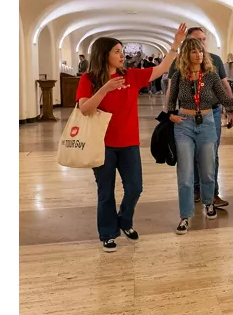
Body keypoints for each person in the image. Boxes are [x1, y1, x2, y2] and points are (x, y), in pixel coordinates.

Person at [76, 24, 186, 252]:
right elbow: (84, 109)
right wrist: (105, 89)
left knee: (135, 188)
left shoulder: (131, 76)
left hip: (129, 143)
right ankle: (108, 233)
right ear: (103, 54)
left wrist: (175, 45)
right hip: (102, 145)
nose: (122, 55)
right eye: (117, 51)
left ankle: (125, 221)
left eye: (122, 51)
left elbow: (162, 68)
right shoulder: (88, 79)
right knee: (105, 192)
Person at [167, 38, 233, 234]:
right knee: (185, 174)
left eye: (200, 51)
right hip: (184, 125)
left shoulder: (211, 75)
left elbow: (223, 99)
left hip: (206, 123)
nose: (198, 55)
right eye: (193, 51)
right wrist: (171, 115)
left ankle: (209, 203)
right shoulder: (179, 75)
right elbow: (171, 100)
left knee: (208, 170)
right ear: (186, 54)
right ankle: (185, 215)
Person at [165, 27, 233, 208]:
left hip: (210, 116)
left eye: (203, 41)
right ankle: (192, 198)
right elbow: (171, 93)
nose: (201, 47)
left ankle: (211, 197)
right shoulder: (178, 69)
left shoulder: (213, 64)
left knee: (210, 160)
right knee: (187, 165)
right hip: (185, 120)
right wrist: (170, 115)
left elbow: (224, 89)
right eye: (196, 43)